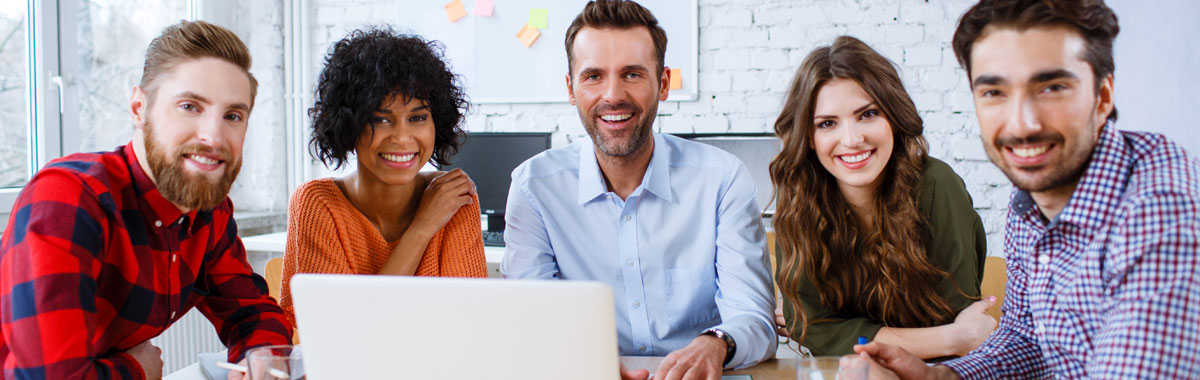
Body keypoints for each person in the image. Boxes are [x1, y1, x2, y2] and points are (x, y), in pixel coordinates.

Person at [855, 0, 1200, 378]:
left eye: (1052, 87)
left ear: (1102, 98)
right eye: (994, 92)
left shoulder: (1161, 206)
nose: (1022, 124)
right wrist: (941, 376)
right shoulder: (1031, 200)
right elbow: (1027, 338)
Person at [0, 21, 292, 379]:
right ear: (139, 108)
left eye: (233, 115)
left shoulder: (207, 212)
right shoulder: (68, 199)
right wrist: (137, 368)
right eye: (190, 106)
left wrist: (262, 360)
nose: (214, 136)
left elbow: (251, 312)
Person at [501, 1, 776, 379]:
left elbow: (754, 316)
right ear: (571, 88)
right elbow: (532, 319)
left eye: (632, 74)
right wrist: (582, 361)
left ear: (663, 84)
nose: (612, 95)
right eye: (593, 76)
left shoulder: (722, 179)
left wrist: (716, 343)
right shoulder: (534, 189)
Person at [770, 35, 995, 360]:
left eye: (868, 114)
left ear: (893, 115)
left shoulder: (936, 186)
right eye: (828, 123)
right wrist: (949, 339)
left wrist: (841, 332)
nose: (852, 139)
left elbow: (957, 317)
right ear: (808, 136)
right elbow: (812, 327)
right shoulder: (799, 195)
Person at [279, 28, 488, 327]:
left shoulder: (453, 198)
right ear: (348, 125)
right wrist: (421, 229)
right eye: (381, 119)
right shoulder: (318, 203)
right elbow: (340, 332)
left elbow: (468, 323)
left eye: (417, 118)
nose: (403, 139)